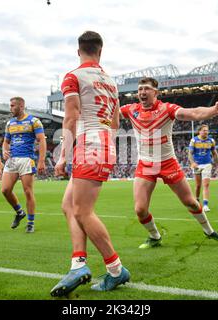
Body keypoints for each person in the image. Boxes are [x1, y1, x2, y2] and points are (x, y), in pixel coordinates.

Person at [51, 31, 130, 297]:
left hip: (90, 144)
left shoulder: (73, 76)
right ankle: (78, 264)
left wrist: (63, 155)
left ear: (79, 51)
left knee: (83, 211)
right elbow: (117, 123)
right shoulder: (110, 82)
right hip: (105, 142)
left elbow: (71, 117)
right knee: (68, 206)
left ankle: (117, 270)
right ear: (100, 51)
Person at [120, 77, 218, 249]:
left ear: (155, 92)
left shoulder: (167, 109)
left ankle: (209, 231)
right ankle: (155, 236)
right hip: (146, 165)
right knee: (140, 210)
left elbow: (193, 113)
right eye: (140, 89)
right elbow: (110, 113)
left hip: (168, 163)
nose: (142, 92)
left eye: (147, 89)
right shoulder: (131, 110)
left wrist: (214, 110)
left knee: (191, 202)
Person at [2, 97, 46, 233]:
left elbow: (41, 140)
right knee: (5, 190)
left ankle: (30, 223)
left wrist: (41, 160)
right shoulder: (10, 123)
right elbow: (6, 141)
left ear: (21, 106)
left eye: (12, 105)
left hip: (27, 159)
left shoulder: (34, 121)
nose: (10, 108)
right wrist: (4, 150)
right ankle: (20, 212)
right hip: (12, 160)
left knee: (28, 191)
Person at [188, 124, 218, 212]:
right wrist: (192, 163)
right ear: (199, 131)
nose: (206, 132)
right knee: (198, 186)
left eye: (207, 130)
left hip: (207, 164)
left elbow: (214, 153)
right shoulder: (194, 140)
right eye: (204, 130)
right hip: (197, 165)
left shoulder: (211, 141)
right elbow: (190, 153)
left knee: (206, 185)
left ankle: (205, 205)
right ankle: (197, 199)